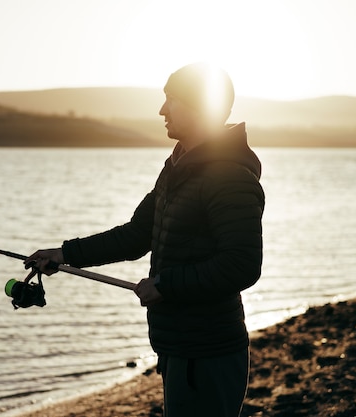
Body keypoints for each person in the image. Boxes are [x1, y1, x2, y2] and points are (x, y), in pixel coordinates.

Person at [26, 62, 265, 417]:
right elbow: (137, 234)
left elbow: (242, 264)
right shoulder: (179, 166)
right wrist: (64, 254)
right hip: (178, 345)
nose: (162, 110)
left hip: (207, 351)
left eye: (172, 99)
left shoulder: (229, 177)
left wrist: (166, 285)